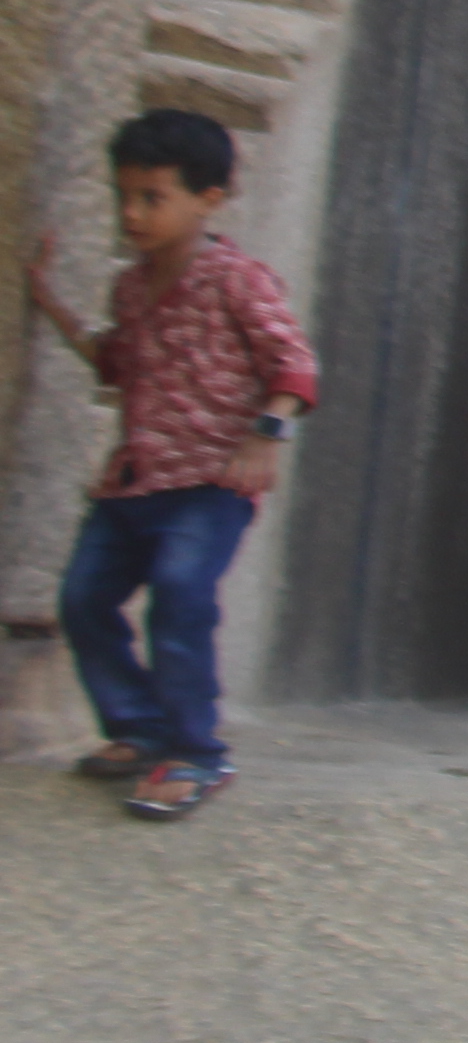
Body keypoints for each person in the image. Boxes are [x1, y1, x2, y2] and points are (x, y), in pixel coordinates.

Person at [24, 111, 319, 826]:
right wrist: (51, 304)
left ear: (209, 198)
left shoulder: (238, 280)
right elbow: (116, 362)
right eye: (123, 196)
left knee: (181, 596)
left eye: (152, 198)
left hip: (210, 484)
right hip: (133, 482)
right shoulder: (131, 288)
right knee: (84, 601)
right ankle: (140, 728)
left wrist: (266, 434)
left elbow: (295, 363)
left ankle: (196, 751)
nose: (132, 214)